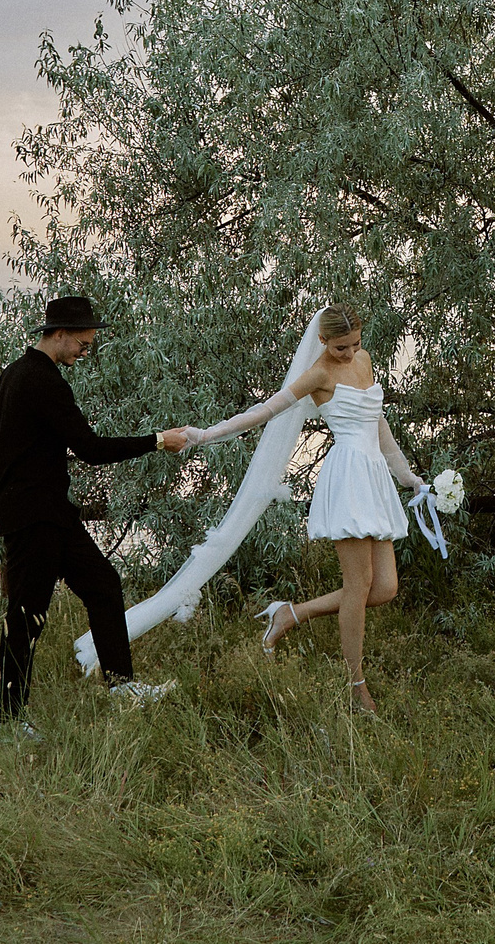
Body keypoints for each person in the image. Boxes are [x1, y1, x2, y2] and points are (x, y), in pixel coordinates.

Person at [183, 302, 426, 714]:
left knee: (384, 588)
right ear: (322, 340)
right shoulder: (318, 373)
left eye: (354, 345)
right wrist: (206, 435)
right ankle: (356, 686)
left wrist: (408, 477)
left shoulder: (363, 360)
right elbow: (265, 411)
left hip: (374, 479)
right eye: (340, 347)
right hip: (347, 477)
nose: (348, 354)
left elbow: (377, 422)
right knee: (359, 582)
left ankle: (290, 614)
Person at [0, 294, 192, 733]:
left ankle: (120, 687)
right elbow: (91, 450)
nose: (86, 352)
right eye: (83, 344)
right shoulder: (43, 381)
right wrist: (157, 440)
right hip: (36, 517)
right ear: (59, 334)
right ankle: (10, 718)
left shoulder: (16, 372)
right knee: (26, 614)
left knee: (103, 585)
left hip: (49, 512)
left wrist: (7, 491)